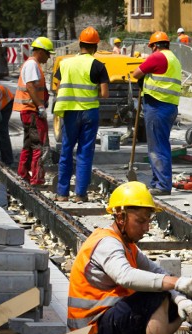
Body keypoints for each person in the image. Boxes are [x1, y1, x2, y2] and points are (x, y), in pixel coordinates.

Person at [67, 181, 192, 334]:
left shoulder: (127, 245)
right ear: (121, 217)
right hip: (91, 332)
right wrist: (175, 283)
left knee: (176, 296)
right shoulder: (107, 243)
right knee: (157, 294)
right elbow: (126, 276)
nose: (146, 228)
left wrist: (182, 299)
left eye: (148, 221)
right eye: (140, 221)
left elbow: (157, 272)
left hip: (106, 323)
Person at [53, 26, 109, 203]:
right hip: (89, 112)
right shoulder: (98, 66)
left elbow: (58, 86)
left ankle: (62, 194)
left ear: (80, 44)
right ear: (95, 47)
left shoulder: (65, 63)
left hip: (69, 112)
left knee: (66, 151)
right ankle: (80, 194)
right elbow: (105, 94)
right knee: (85, 153)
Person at [132, 32, 182, 196]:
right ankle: (157, 181)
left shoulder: (157, 57)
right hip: (169, 106)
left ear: (154, 46)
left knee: (157, 147)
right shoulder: (173, 59)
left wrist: (143, 78)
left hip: (157, 105)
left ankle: (162, 185)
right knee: (160, 144)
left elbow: (136, 73)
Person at [13, 37, 54, 186]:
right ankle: (37, 179)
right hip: (32, 111)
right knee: (39, 146)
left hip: (29, 111)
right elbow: (30, 87)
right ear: (41, 51)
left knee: (29, 144)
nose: (48, 57)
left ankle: (23, 174)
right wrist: (40, 106)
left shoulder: (33, 64)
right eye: (48, 53)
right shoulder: (32, 65)